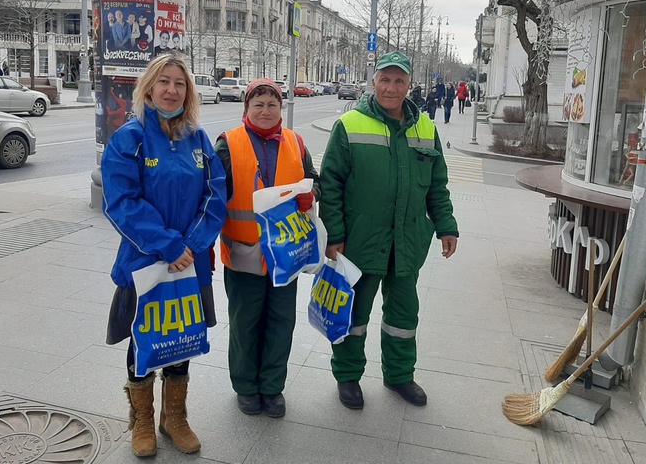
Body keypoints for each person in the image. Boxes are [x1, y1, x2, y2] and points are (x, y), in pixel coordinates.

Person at [101, 54, 227, 457]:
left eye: (180, 83)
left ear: (188, 92)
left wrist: (190, 245)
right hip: (145, 262)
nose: (172, 89)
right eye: (164, 81)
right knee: (144, 340)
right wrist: (169, 245)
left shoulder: (199, 139)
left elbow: (216, 194)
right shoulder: (129, 137)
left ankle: (175, 418)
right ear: (150, 87)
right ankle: (141, 420)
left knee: (183, 337)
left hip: (190, 263)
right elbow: (122, 201)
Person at [319, 51, 458, 410]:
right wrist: (335, 235)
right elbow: (330, 185)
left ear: (410, 84)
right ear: (374, 82)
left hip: (406, 242)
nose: (391, 88)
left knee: (403, 316)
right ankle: (347, 377)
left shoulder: (425, 128)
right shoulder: (349, 125)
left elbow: (438, 185)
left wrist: (446, 225)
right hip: (361, 241)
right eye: (385, 80)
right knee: (354, 316)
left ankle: (399, 376)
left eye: (399, 81)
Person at [214, 78, 321, 418]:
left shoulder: (296, 142)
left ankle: (272, 388)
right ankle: (246, 387)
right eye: (257, 104)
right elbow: (212, 197)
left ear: (280, 108)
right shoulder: (227, 144)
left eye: (271, 104)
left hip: (286, 257)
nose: (265, 110)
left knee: (280, 323)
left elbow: (313, 179)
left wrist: (310, 193)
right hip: (244, 253)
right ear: (246, 108)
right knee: (245, 324)